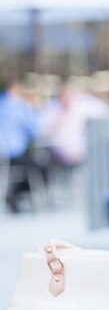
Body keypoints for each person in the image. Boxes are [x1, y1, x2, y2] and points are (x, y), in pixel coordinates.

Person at [0, 75, 42, 212]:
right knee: (40, 169)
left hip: (3, 156)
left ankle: (13, 195)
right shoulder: (19, 107)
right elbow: (35, 130)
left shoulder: (2, 104)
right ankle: (14, 195)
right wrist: (34, 108)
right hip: (14, 154)